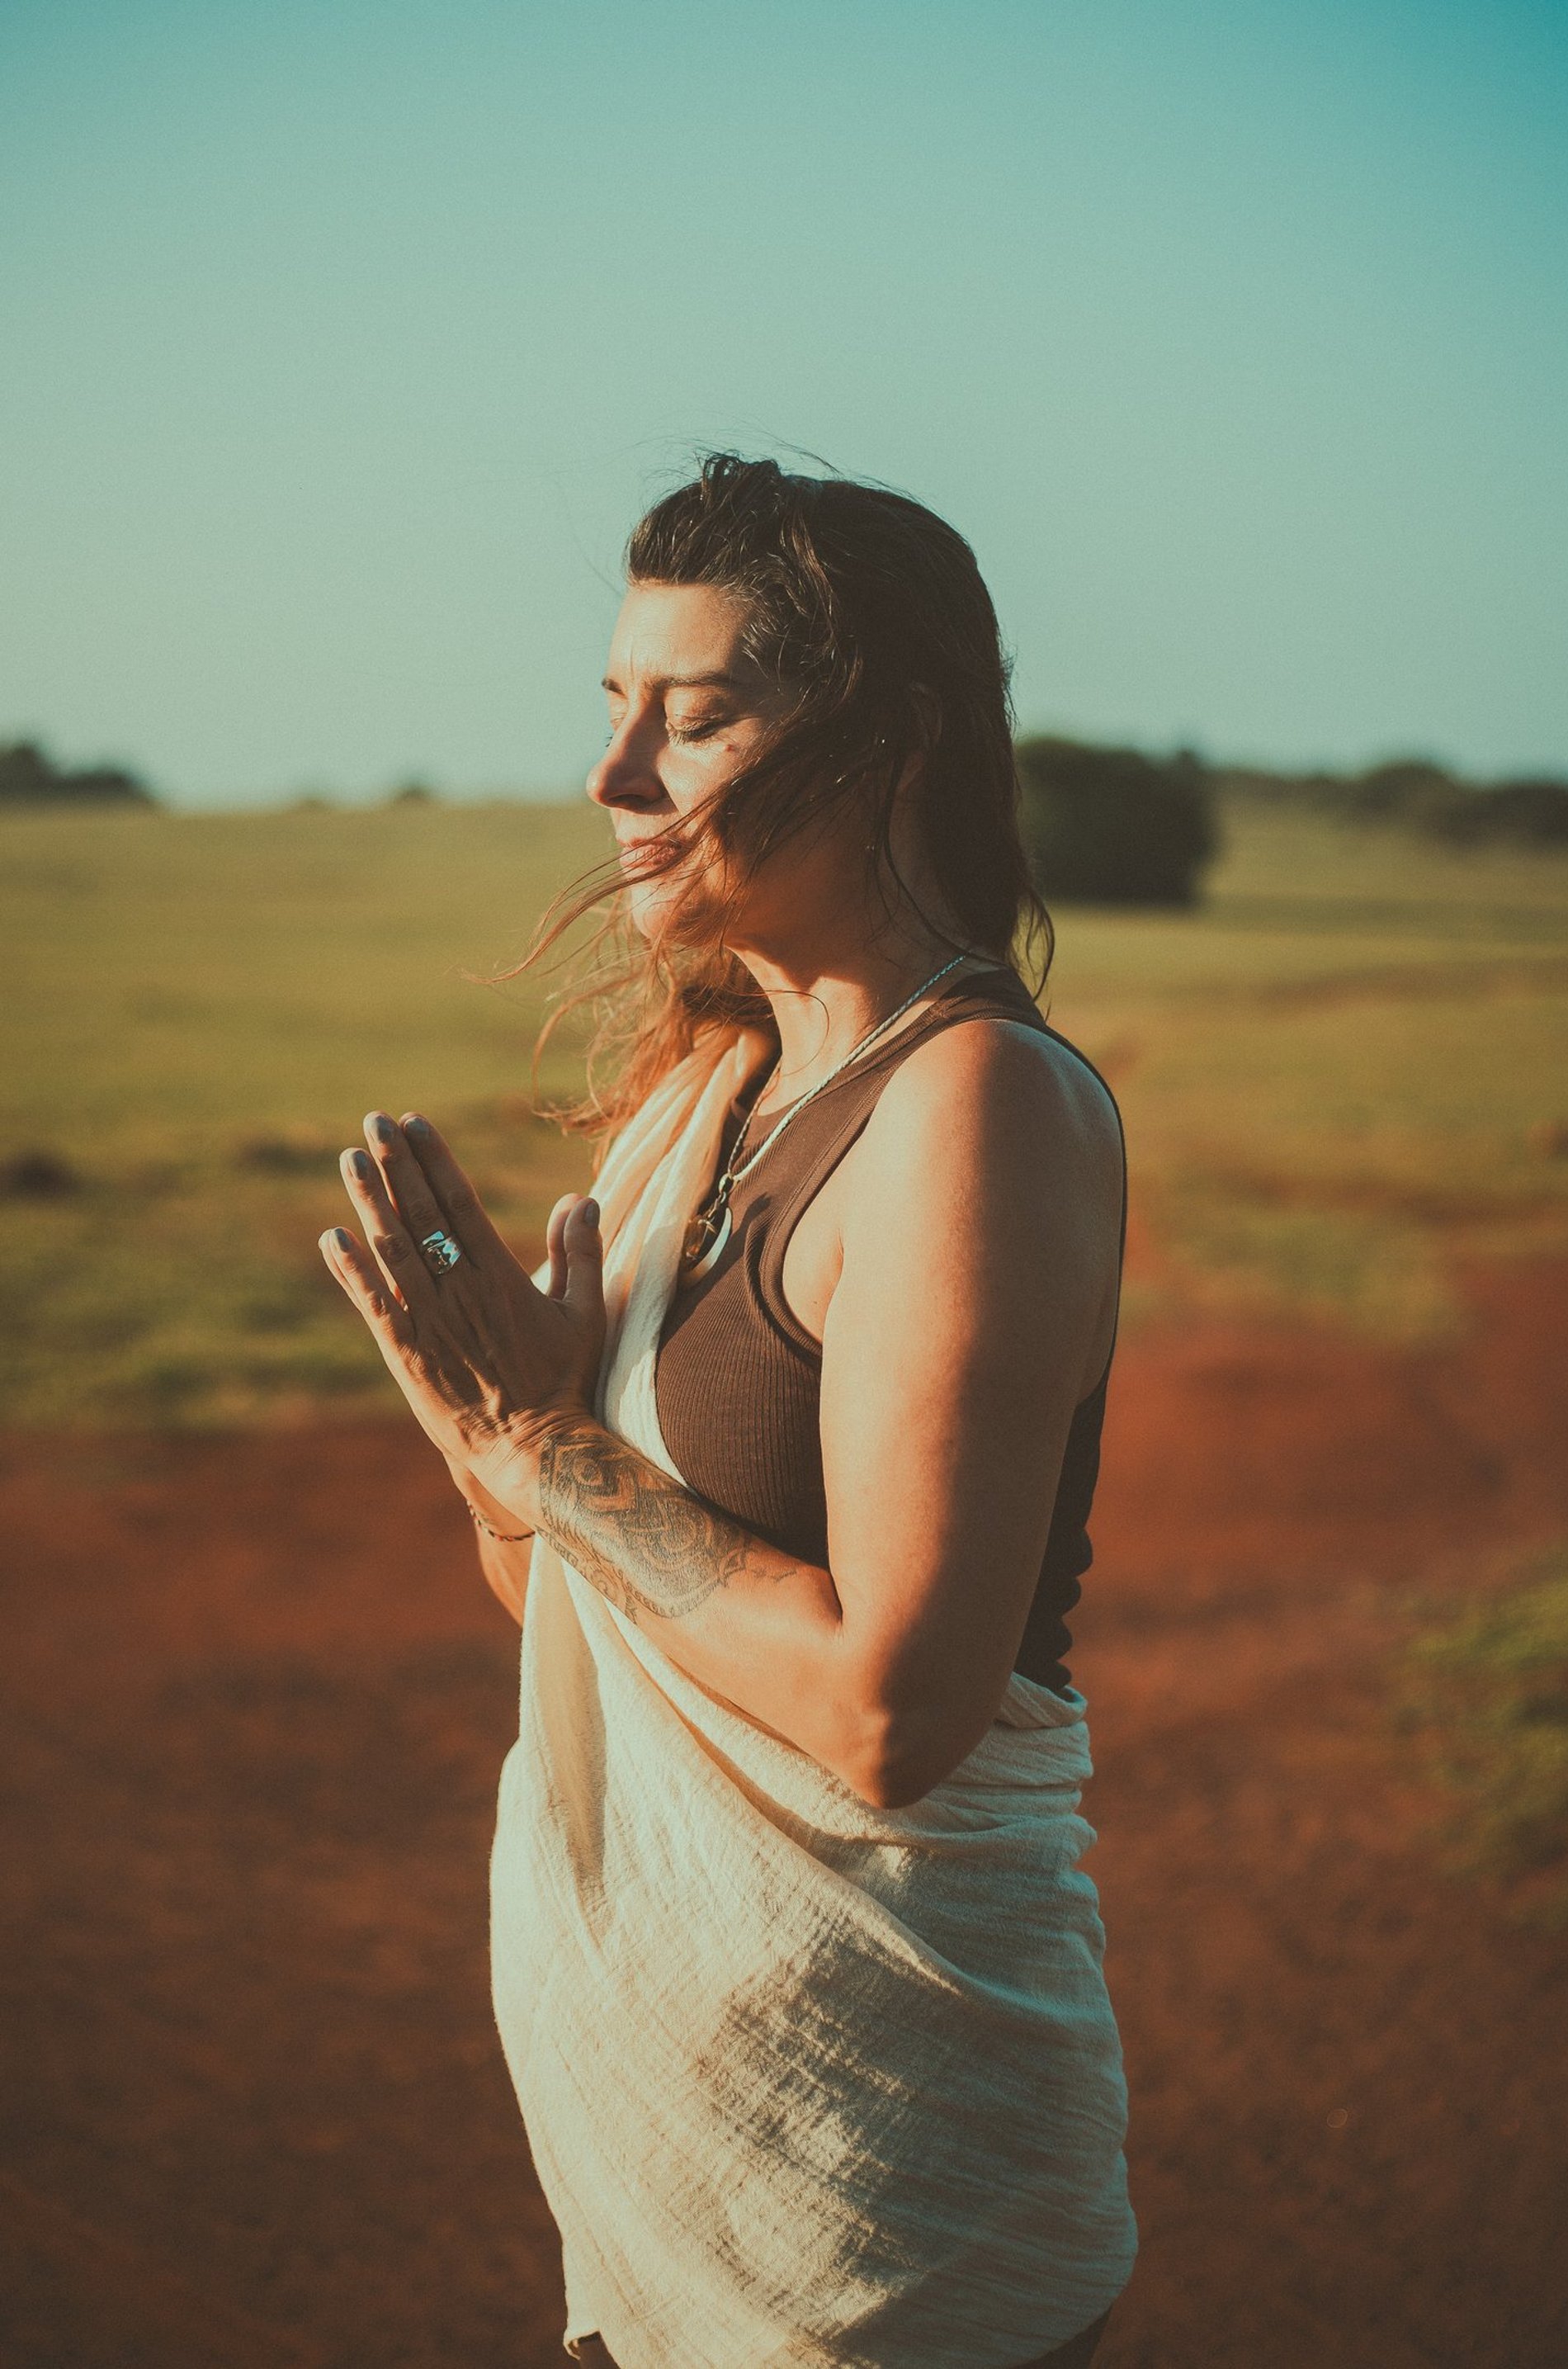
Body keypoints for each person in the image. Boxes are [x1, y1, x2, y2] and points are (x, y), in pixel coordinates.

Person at [321, 456, 1135, 2369]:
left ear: (892, 739)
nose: (618, 782)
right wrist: (490, 1454)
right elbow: (576, 1609)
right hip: (657, 2188)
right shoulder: (712, 1088)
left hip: (895, 2194)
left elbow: (886, 1709)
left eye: (694, 720)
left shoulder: (974, 1107)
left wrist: (559, 1452)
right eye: (613, 711)